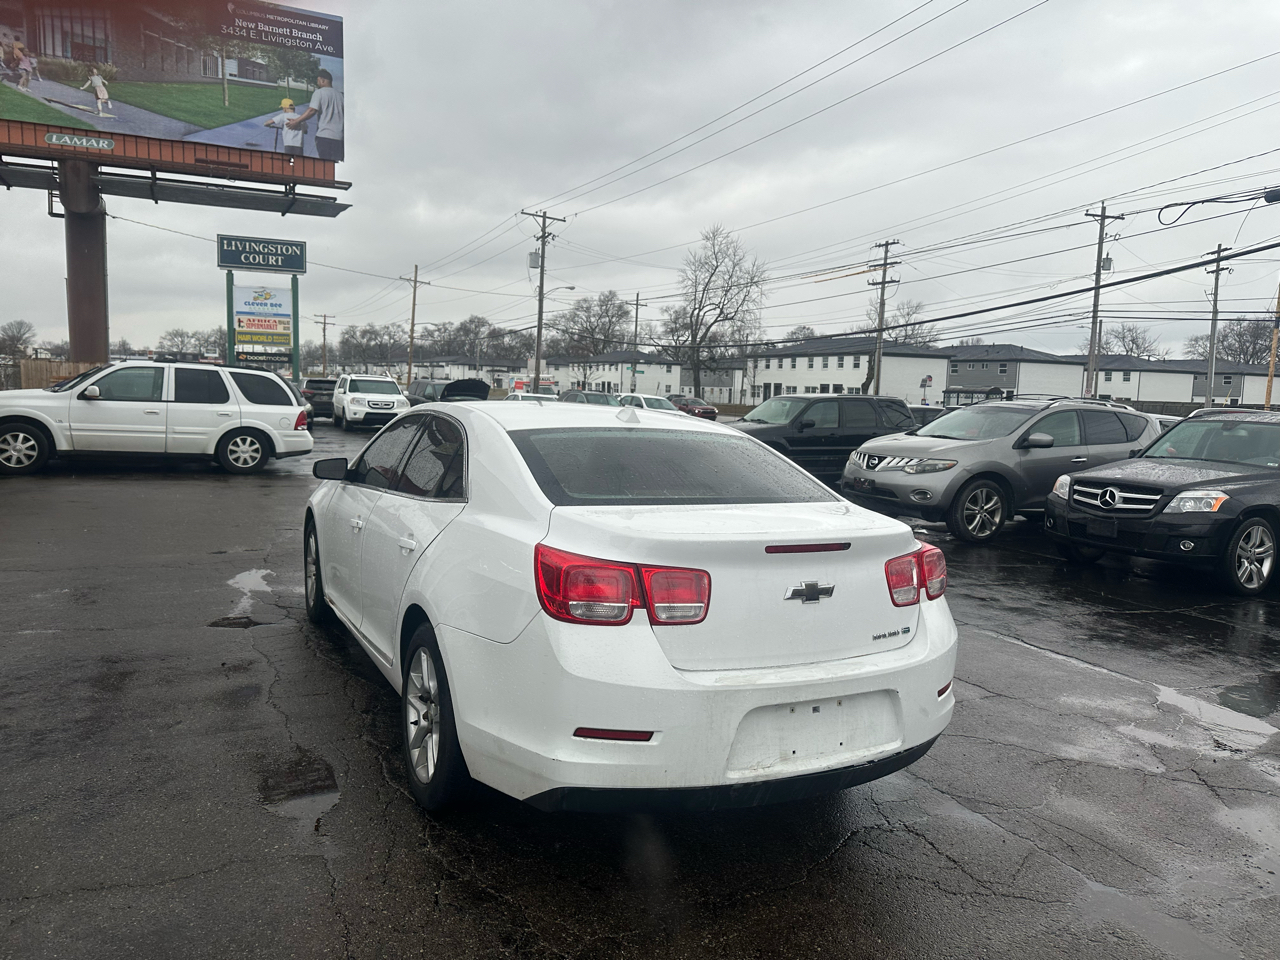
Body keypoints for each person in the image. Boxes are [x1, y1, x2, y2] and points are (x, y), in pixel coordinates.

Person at [287, 68, 343, 161]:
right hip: (339, 138)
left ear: (322, 80)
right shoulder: (340, 95)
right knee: (335, 167)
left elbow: (312, 110)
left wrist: (296, 121)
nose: (318, 83)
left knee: (324, 166)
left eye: (318, 80)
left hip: (325, 137)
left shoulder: (319, 92)